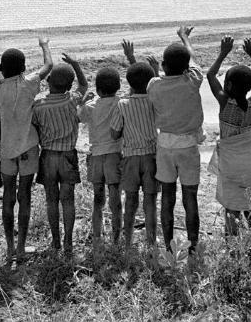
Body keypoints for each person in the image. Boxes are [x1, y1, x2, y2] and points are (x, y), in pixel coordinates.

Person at [0, 34, 53, 262]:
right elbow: (48, 65)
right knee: (25, 196)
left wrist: (4, 139)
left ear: (1, 69)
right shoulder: (30, 83)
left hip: (7, 151)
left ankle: (10, 248)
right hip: (29, 148)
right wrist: (44, 45)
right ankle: (21, 247)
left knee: (9, 197)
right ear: (23, 67)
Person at [147, 26, 205, 253]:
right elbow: (192, 58)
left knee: (167, 197)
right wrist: (184, 37)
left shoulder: (154, 85)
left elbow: (157, 80)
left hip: (165, 145)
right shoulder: (193, 80)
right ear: (186, 67)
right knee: (190, 197)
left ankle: (169, 246)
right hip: (188, 145)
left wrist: (156, 70)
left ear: (163, 65)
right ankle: (193, 247)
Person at [206, 36, 251, 235]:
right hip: (250, 164)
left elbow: (210, 75)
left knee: (231, 207)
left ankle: (232, 244)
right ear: (250, 87)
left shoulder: (225, 103)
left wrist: (223, 53)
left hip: (230, 166)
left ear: (229, 85)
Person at [31, 54, 88, 254]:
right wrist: (76, 64)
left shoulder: (38, 104)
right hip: (68, 156)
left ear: (48, 81)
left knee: (51, 199)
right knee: (68, 200)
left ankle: (55, 241)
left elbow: (34, 127)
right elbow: (83, 85)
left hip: (47, 156)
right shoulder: (72, 100)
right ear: (69, 86)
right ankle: (68, 241)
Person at [112, 39, 159, 251]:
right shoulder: (154, 100)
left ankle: (127, 241)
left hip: (130, 158)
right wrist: (153, 71)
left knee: (130, 200)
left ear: (128, 83)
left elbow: (115, 133)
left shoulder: (122, 104)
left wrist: (131, 58)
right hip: (152, 157)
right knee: (150, 202)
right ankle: (151, 242)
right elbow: (153, 87)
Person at [79, 64, 124, 248]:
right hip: (114, 155)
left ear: (97, 90)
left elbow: (79, 116)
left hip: (96, 156)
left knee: (98, 200)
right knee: (115, 200)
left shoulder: (91, 106)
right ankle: (116, 239)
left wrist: (83, 101)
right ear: (118, 87)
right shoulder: (121, 103)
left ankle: (97, 237)